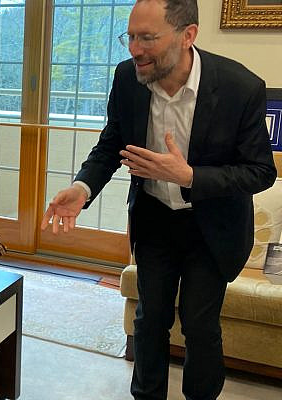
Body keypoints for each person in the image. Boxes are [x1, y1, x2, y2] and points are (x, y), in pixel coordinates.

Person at [41, 1, 276, 399]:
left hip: (212, 227)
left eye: (148, 38)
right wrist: (82, 189)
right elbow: (112, 142)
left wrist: (190, 176)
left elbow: (260, 171)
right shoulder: (128, 78)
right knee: (149, 321)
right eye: (130, 36)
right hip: (155, 219)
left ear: (188, 35)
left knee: (200, 327)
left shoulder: (241, 88)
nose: (135, 49)